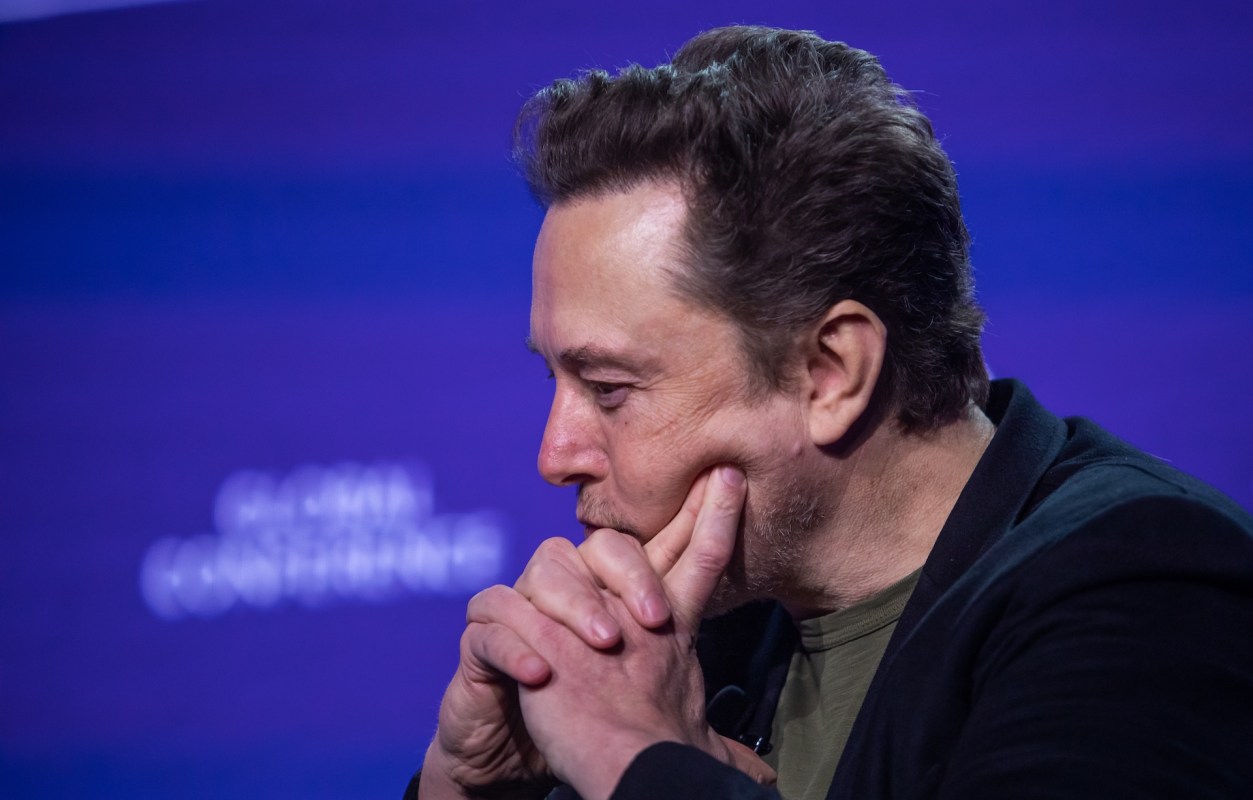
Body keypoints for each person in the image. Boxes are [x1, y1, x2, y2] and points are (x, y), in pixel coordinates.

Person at [407, 25, 1253, 800]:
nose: (555, 454)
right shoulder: (696, 629)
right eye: (553, 379)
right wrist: (464, 787)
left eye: (609, 389)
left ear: (831, 373)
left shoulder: (1147, 591)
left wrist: (631, 756)